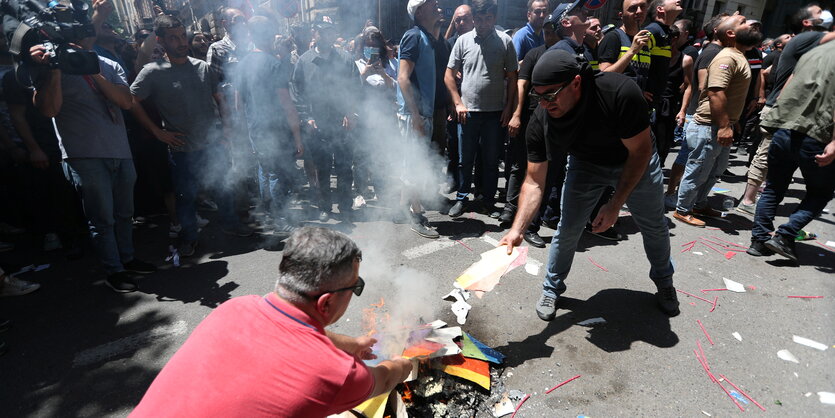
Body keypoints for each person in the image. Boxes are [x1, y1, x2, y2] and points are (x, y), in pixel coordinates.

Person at [130, 227, 413, 417]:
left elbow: (298, 333)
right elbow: (386, 377)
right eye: (355, 287)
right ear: (326, 302)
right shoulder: (334, 373)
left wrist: (354, 344)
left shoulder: (234, 308)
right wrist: (406, 363)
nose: (355, 292)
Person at [499, 50, 680, 321]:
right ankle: (552, 287)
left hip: (632, 160)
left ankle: (664, 281)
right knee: (568, 229)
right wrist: (517, 230)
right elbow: (534, 181)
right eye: (539, 96)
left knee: (653, 225)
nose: (545, 104)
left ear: (575, 82)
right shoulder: (541, 120)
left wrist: (615, 204)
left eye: (550, 95)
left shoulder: (618, 92)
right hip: (586, 164)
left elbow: (640, 152)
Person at [30, 30, 156, 293]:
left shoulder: (107, 64)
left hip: (120, 152)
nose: (79, 41)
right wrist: (54, 70)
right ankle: (114, 271)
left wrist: (92, 69)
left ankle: (128, 259)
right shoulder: (52, 68)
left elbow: (125, 100)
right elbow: (49, 109)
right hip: (83, 154)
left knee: (125, 213)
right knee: (102, 219)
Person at [130, 15, 253, 258]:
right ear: (160, 40)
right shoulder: (152, 72)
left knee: (224, 188)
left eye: (181, 35)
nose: (180, 42)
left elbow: (220, 100)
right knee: (185, 196)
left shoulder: (202, 67)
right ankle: (190, 237)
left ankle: (231, 224)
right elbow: (131, 101)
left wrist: (227, 130)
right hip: (181, 148)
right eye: (172, 38)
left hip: (213, 143)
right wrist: (157, 132)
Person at [737, 4, 831, 216]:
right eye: (819, 13)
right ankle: (748, 200)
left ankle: (759, 198)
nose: (825, 15)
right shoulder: (803, 39)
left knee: (777, 160)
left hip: (788, 111)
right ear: (807, 22)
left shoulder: (808, 45)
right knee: (765, 155)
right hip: (778, 109)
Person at [748, 39, 835, 262]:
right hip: (816, 134)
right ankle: (784, 236)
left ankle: (759, 241)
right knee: (820, 192)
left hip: (785, 128)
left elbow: (787, 86)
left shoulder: (813, 53)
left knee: (774, 188)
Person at [674, 15, 761, 227]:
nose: (750, 24)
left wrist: (733, 121)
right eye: (742, 23)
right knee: (698, 170)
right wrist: (723, 125)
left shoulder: (737, 55)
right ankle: (682, 209)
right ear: (731, 34)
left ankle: (699, 204)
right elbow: (715, 91)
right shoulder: (726, 57)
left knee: (714, 171)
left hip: (722, 125)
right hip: (709, 125)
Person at [445, 0, 518, 218]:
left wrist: (509, 107)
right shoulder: (462, 41)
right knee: (464, 159)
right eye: (479, 19)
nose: (483, 23)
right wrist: (458, 103)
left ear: (494, 18)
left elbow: (513, 78)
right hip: (468, 113)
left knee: (491, 160)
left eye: (488, 18)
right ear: (473, 19)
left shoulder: (505, 42)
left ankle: (488, 200)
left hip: (495, 113)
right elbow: (449, 75)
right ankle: (462, 198)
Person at [235, 16, 304, 236]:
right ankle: (278, 219)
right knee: (277, 174)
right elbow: (287, 104)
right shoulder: (274, 63)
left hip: (256, 128)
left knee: (265, 172)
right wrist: (297, 136)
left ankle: (269, 216)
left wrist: (245, 131)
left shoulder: (243, 63)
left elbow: (238, 103)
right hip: (275, 129)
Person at [502, 13, 561, 248]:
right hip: (531, 120)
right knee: (520, 166)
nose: (548, 35)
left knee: (551, 172)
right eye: (545, 32)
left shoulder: (567, 55)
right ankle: (510, 209)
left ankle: (541, 219)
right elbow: (521, 84)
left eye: (551, 31)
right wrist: (516, 115)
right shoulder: (534, 54)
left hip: (557, 124)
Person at [293, 20, 358, 222]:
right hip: (317, 125)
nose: (328, 36)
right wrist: (307, 118)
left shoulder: (345, 58)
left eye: (331, 32)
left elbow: (355, 88)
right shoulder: (304, 61)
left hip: (341, 122)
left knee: (344, 167)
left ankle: (346, 206)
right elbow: (297, 93)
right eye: (323, 32)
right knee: (321, 169)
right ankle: (325, 207)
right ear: (315, 33)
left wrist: (351, 112)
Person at [664, 14, 725, 208]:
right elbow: (705, 88)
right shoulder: (708, 53)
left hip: (693, 112)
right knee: (689, 159)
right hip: (698, 114)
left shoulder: (693, 54)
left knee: (697, 161)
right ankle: (676, 198)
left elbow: (689, 85)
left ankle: (684, 198)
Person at [395, 0, 444, 239]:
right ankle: (416, 214)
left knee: (413, 163)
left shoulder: (425, 36)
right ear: (420, 10)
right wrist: (415, 116)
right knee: (414, 165)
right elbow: (403, 78)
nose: (437, 6)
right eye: (432, 3)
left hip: (421, 114)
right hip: (414, 114)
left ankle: (404, 208)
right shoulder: (413, 36)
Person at [443, 4, 475, 193]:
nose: (461, 23)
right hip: (454, 104)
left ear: (473, 19)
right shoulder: (449, 44)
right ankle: (453, 181)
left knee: (476, 148)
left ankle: (474, 185)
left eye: (465, 19)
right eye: (457, 20)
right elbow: (443, 75)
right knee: (453, 146)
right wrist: (450, 106)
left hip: (477, 103)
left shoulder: (480, 40)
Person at [549, 1, 594, 67]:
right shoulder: (558, 53)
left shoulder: (587, 50)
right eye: (578, 10)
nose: (586, 12)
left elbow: (596, 72)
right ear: (566, 23)